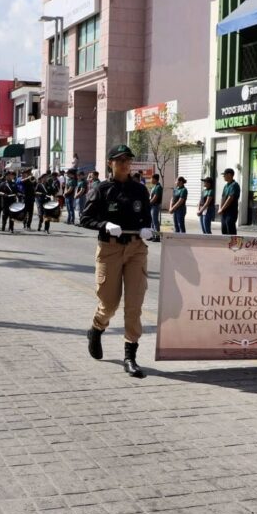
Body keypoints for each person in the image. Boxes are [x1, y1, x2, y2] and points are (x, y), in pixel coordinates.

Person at [80, 145, 153, 378]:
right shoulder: (102, 190)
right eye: (119, 160)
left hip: (135, 249)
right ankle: (96, 328)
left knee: (134, 305)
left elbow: (147, 218)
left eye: (127, 160)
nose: (124, 164)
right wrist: (105, 225)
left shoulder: (140, 190)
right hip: (110, 249)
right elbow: (86, 218)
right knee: (109, 303)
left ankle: (130, 356)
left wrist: (146, 229)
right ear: (110, 163)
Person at [217, 169, 240, 235]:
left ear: (229, 175)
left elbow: (230, 198)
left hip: (231, 212)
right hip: (224, 212)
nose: (223, 176)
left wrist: (222, 208)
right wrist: (220, 208)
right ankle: (225, 245)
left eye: (224, 175)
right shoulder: (226, 186)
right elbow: (222, 198)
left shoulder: (234, 185)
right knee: (224, 230)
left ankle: (233, 244)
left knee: (230, 230)